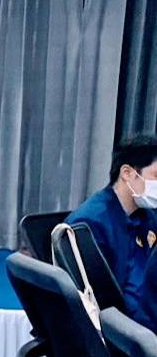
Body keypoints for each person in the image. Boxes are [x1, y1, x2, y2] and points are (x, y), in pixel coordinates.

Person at [67, 136, 157, 323]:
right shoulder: (89, 224)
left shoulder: (147, 216)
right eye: (156, 176)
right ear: (127, 173)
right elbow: (99, 302)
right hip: (126, 326)